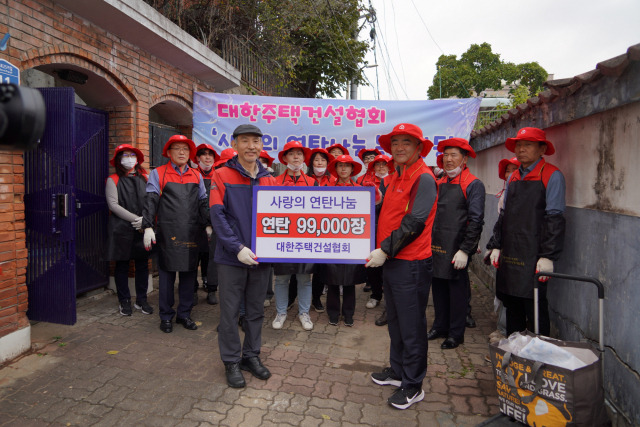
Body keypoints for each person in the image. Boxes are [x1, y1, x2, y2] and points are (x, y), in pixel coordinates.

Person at [367, 123, 437, 410]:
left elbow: (414, 223)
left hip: (412, 264)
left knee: (412, 327)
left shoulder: (424, 178)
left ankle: (413, 385)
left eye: (406, 142)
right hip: (394, 263)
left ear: (419, 147)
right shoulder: (395, 176)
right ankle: (397, 372)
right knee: (395, 322)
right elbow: (388, 215)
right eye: (395, 142)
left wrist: (384, 249)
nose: (399, 147)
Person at [209, 124, 276, 388]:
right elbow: (218, 215)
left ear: (262, 146)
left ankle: (251, 356)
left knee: (256, 311)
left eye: (256, 141)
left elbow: (280, 219)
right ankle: (231, 361)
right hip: (231, 258)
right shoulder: (221, 175)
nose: (251, 146)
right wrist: (237, 247)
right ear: (234, 144)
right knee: (229, 313)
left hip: (262, 257)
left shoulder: (269, 178)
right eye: (245, 141)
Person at [487, 127, 566, 337]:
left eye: (528, 145)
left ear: (542, 149)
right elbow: (504, 215)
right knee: (512, 304)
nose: (521, 149)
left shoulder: (552, 175)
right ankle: (514, 354)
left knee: (536, 308)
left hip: (534, 254)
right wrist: (496, 245)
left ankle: (539, 357)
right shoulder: (513, 178)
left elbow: (555, 218)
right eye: (519, 145)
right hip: (511, 252)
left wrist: (548, 256)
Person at [142, 135, 210, 333]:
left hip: (191, 232)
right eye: (177, 148)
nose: (182, 152)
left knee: (189, 276)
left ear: (190, 154)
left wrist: (208, 224)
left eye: (185, 149)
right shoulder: (158, 173)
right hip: (168, 233)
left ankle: (185, 314)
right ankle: (165, 316)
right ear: (169, 153)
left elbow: (203, 202)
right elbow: (151, 200)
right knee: (166, 277)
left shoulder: (196, 175)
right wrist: (147, 226)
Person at [428, 138, 485, 350]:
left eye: (454, 155)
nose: (449, 160)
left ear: (465, 158)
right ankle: (439, 326)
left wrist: (465, 249)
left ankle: (455, 333)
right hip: (436, 246)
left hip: (457, 247)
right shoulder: (440, 182)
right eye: (446, 155)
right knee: (439, 288)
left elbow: (476, 220)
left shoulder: (473, 184)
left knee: (457, 291)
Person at [271, 141, 315, 331]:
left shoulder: (313, 182)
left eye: (299, 154)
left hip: (305, 238)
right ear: (285, 158)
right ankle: (281, 312)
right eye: (292, 154)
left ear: (304, 159)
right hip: (282, 238)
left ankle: (304, 313)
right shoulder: (274, 182)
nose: (296, 157)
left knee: (304, 278)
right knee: (281, 278)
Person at [106, 144, 153, 316]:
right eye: (125, 155)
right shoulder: (113, 180)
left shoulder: (146, 178)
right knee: (122, 265)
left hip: (142, 228)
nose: (129, 159)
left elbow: (151, 201)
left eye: (132, 155)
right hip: (121, 228)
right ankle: (124, 300)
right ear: (119, 159)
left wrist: (145, 221)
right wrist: (136, 219)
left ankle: (142, 300)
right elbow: (113, 205)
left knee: (142, 264)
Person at [324, 154, 365, 326]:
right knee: (331, 278)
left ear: (352, 169)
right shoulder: (327, 188)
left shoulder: (361, 189)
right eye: (340, 166)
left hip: (352, 241)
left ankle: (349, 314)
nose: (343, 169)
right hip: (331, 239)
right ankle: (333, 313)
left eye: (347, 166)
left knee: (350, 280)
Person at [306, 148, 336, 313]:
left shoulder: (333, 180)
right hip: (305, 229)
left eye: (323, 160)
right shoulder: (305, 179)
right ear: (311, 163)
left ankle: (316, 298)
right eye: (316, 160)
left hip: (325, 230)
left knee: (319, 268)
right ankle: (292, 298)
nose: (319, 163)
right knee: (301, 267)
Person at [360, 154, 391, 309]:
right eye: (377, 165)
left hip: (390, 229)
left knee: (390, 264)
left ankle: (389, 298)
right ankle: (375, 294)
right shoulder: (366, 183)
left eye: (383, 164)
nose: (380, 167)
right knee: (373, 263)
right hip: (371, 228)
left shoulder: (393, 181)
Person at [193, 144, 220, 306]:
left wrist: (211, 223)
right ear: (197, 158)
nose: (207, 158)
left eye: (211, 155)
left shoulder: (218, 175)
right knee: (194, 257)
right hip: (195, 224)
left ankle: (211, 289)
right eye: (204, 155)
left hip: (214, 224)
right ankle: (193, 289)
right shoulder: (193, 174)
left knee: (212, 259)